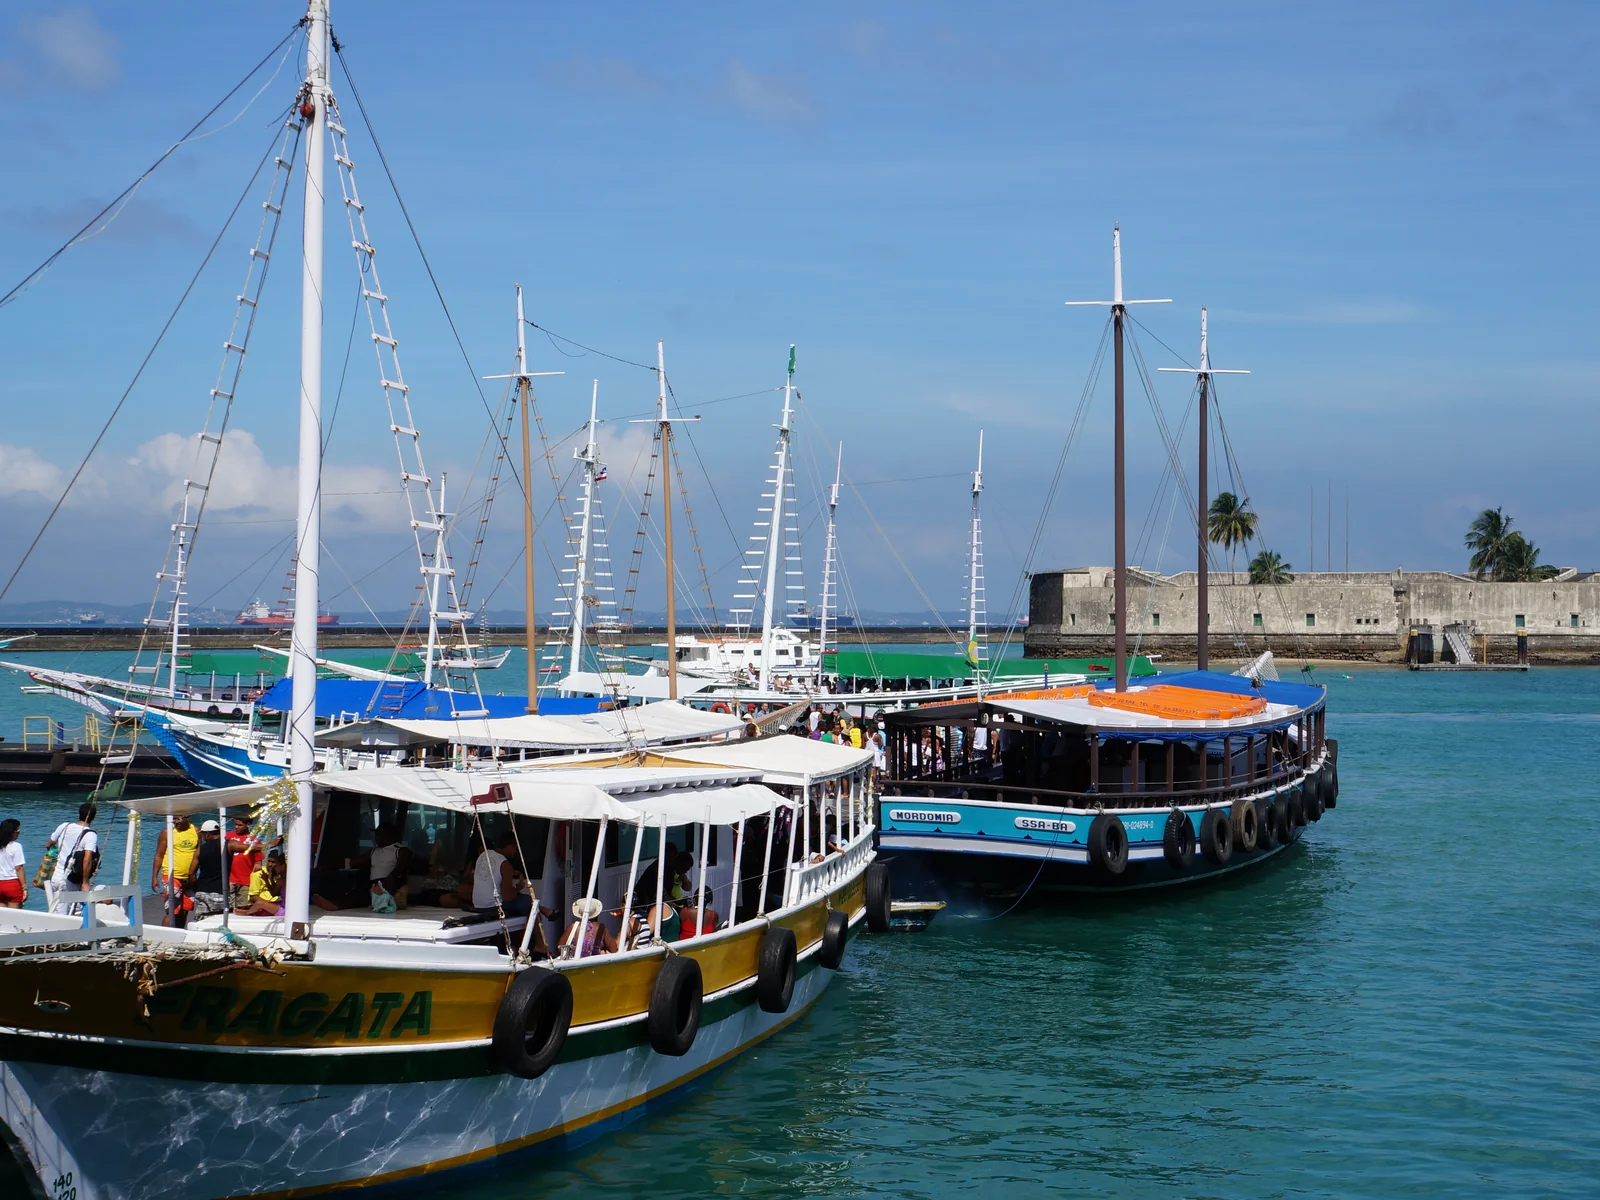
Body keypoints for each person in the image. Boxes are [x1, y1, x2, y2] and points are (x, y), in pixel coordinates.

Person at [473, 830, 541, 918]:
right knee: (528, 900)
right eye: (515, 848)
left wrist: (510, 874)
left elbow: (491, 874)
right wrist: (518, 888)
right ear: (509, 846)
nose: (515, 851)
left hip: (478, 905)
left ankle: (546, 911)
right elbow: (507, 897)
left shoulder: (483, 855)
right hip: (493, 907)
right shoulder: (505, 864)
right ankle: (540, 922)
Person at [48, 803, 100, 913]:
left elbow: (49, 844)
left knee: (57, 910)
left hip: (56, 876)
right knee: (75, 912)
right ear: (94, 817)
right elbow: (87, 859)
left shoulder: (64, 826)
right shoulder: (90, 835)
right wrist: (85, 882)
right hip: (71, 880)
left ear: (79, 813)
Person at [151, 814, 201, 927]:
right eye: (174, 819)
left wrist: (194, 875)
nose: (176, 822)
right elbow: (159, 855)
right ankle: (164, 938)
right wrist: (154, 877)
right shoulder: (167, 832)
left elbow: (198, 854)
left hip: (189, 877)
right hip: (171, 876)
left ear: (187, 817)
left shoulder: (196, 831)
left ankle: (179, 935)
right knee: (172, 911)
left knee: (185, 910)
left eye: (178, 819)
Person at [367, 821, 412, 911]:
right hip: (374, 884)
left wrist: (391, 876)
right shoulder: (373, 851)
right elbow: (354, 862)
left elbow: (401, 867)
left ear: (387, 835)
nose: (376, 837)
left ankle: (390, 899)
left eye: (378, 834)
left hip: (391, 883)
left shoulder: (401, 850)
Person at [190, 821, 229, 920]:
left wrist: (196, 889)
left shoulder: (200, 850)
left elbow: (191, 874)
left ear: (207, 834)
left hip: (204, 890)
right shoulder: (228, 846)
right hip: (222, 891)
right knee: (221, 922)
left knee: (202, 923)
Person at [0, 818, 27, 908]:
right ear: (12, 832)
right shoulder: (16, 846)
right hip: (12, 884)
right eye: (18, 830)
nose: (19, 833)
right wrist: (25, 888)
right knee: (15, 919)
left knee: (2, 918)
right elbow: (19, 868)